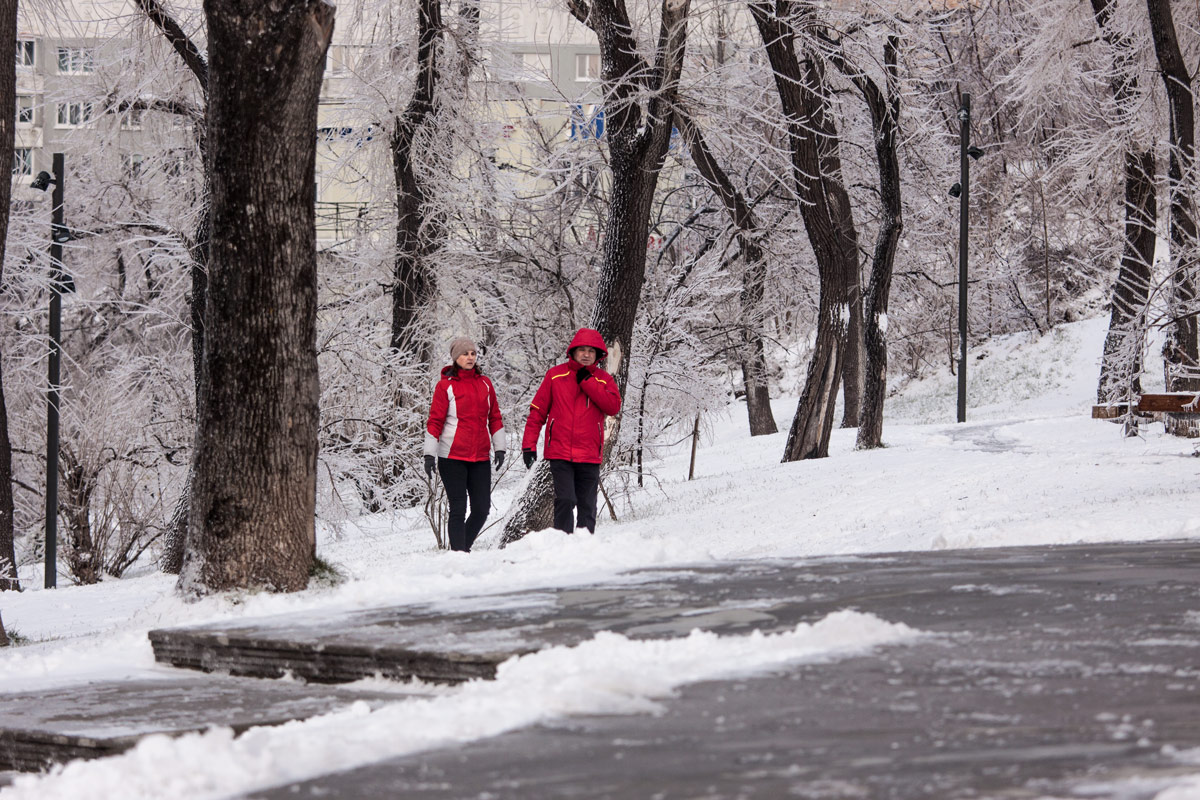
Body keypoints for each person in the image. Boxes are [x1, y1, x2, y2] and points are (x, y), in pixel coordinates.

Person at [521, 328, 622, 534]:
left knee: (587, 505)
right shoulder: (555, 376)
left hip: (589, 452)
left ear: (598, 355)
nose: (586, 355)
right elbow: (537, 412)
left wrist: (587, 382)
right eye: (582, 350)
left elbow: (613, 406)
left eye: (591, 351)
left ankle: (583, 550)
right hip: (560, 451)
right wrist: (528, 446)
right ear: (573, 352)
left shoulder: (603, 380)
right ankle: (562, 544)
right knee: (565, 500)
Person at [425, 337, 505, 552]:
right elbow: (435, 421)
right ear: (455, 358)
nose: (470, 357)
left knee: (482, 509)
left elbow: (495, 417)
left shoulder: (485, 384)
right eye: (464, 354)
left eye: (472, 353)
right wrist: (429, 454)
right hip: (452, 457)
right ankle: (459, 554)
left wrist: (500, 448)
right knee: (458, 508)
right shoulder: (445, 386)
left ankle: (461, 550)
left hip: (479, 456)